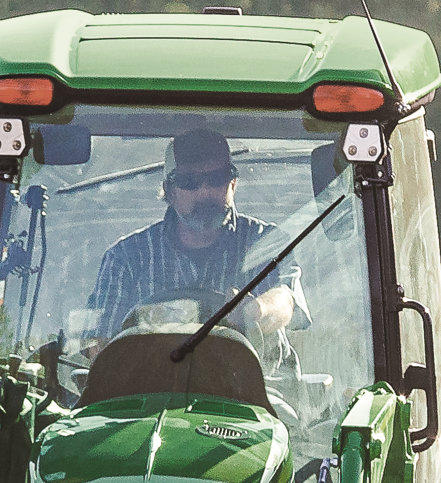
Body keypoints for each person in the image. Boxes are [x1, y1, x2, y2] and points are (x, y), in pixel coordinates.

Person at [88, 128, 311, 362]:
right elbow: (99, 344)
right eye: (189, 181)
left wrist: (258, 310)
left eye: (217, 178)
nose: (204, 191)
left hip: (259, 391)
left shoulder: (266, 240)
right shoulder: (126, 258)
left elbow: (286, 300)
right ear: (170, 191)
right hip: (150, 392)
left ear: (232, 183)